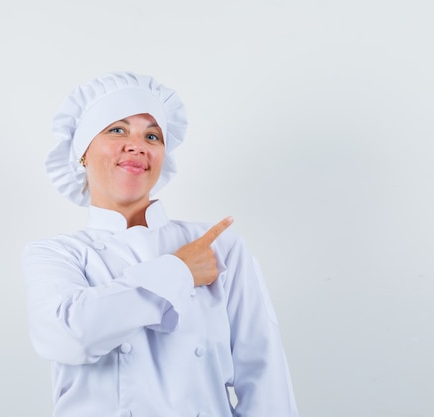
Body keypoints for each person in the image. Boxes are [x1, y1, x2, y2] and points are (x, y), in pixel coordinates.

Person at [22, 71, 299, 417]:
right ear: (82, 152)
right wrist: (179, 271)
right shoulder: (56, 255)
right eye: (117, 129)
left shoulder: (218, 246)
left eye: (152, 136)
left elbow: (264, 377)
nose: (137, 145)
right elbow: (69, 336)